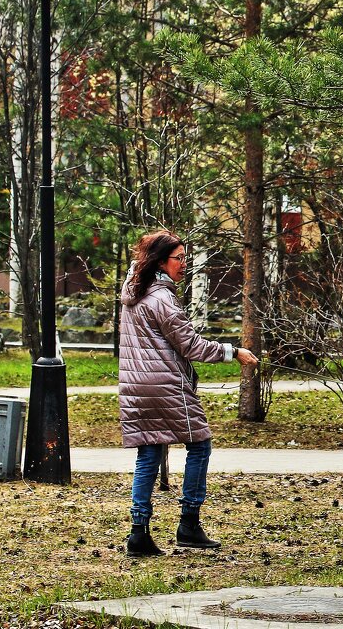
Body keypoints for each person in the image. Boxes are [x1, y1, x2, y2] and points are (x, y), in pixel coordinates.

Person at [118, 230, 258, 557]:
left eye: (185, 258)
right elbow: (190, 345)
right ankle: (189, 524)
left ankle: (139, 533)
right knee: (200, 445)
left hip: (135, 385)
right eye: (178, 258)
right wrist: (232, 352)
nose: (184, 264)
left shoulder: (134, 291)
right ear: (160, 260)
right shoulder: (162, 297)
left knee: (149, 453)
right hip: (166, 385)